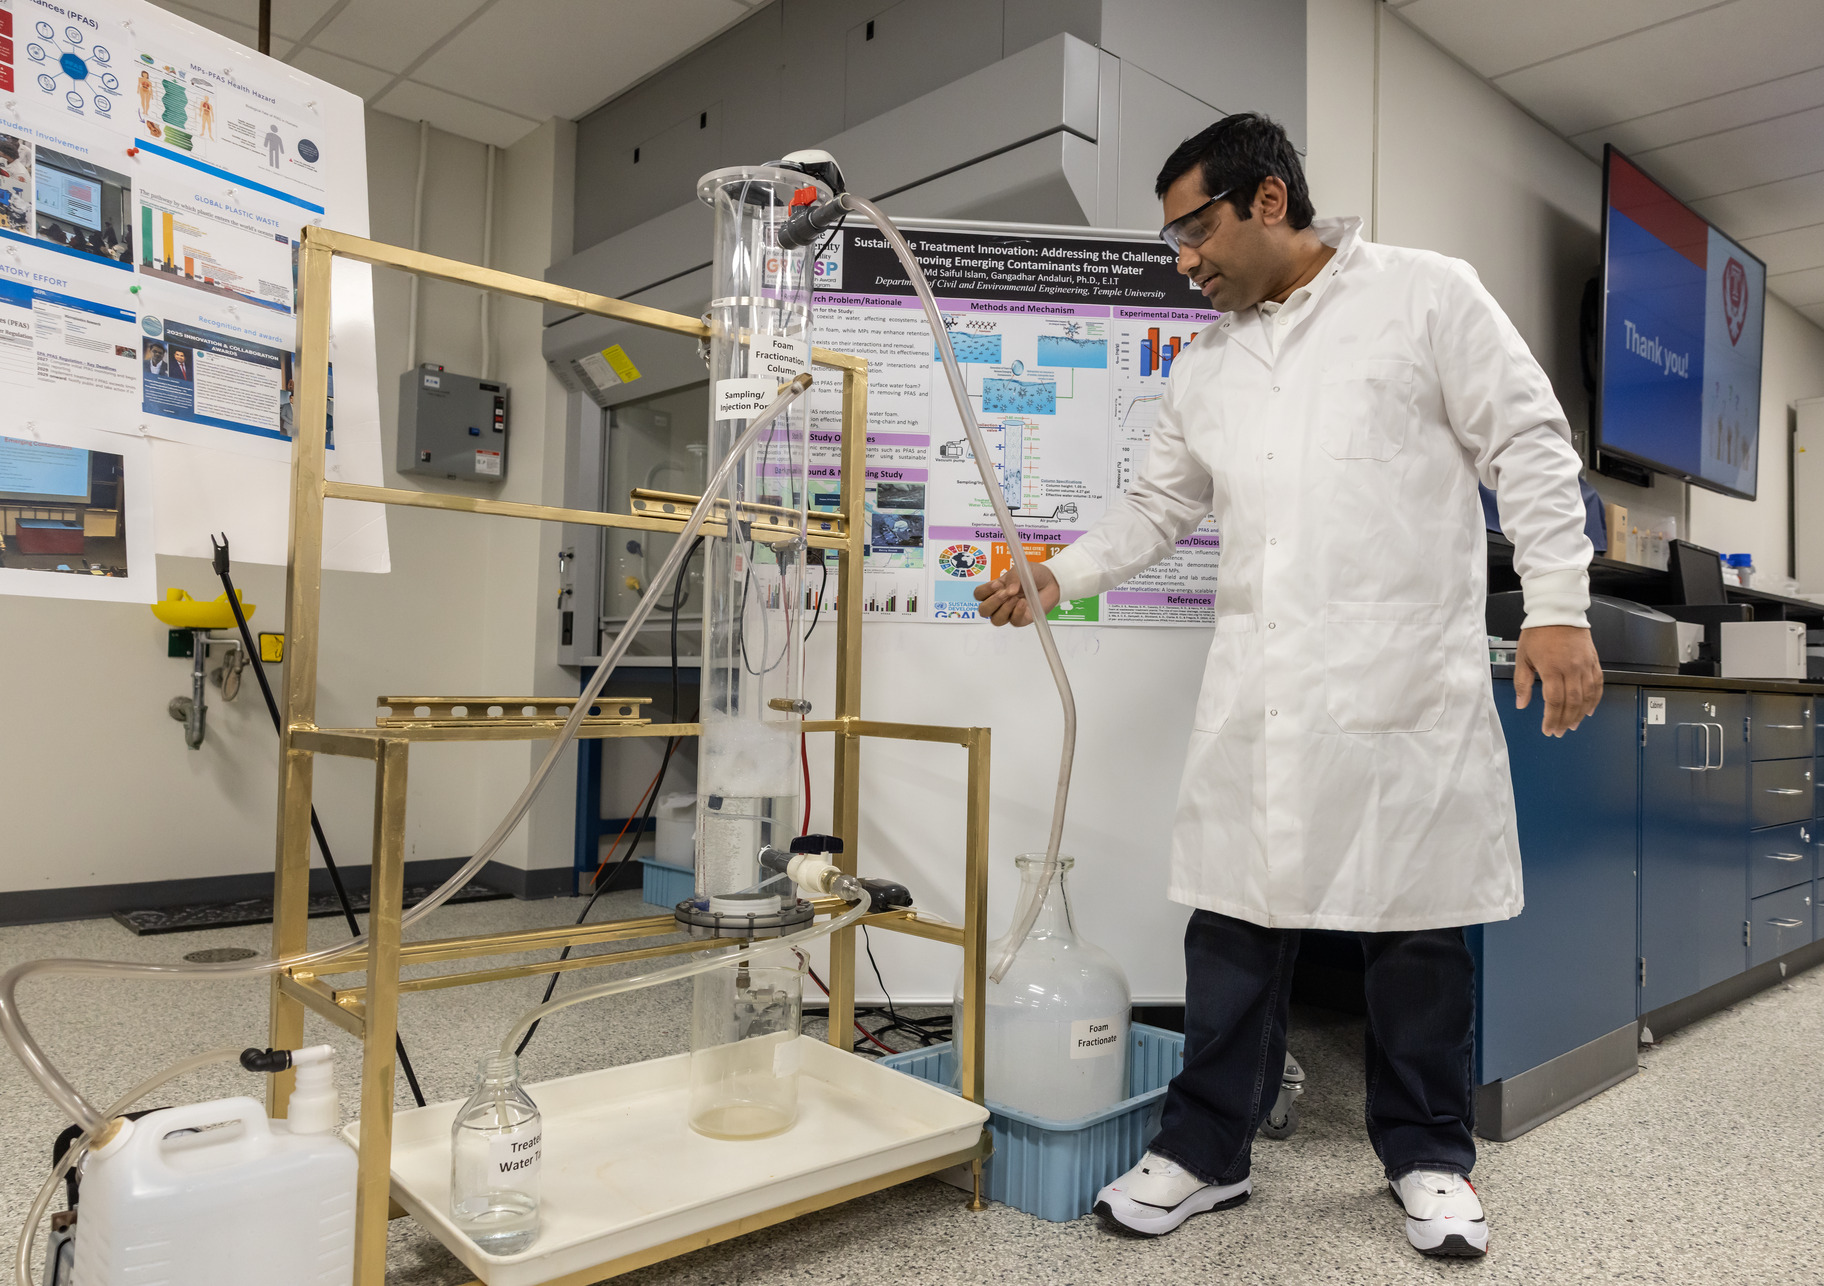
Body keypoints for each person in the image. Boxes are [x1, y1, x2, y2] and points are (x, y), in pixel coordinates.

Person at [972, 114, 1602, 1260]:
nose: (1184, 260)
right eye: (1172, 239)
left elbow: (1528, 440)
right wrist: (1058, 574)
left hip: (1401, 689)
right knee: (1232, 927)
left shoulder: (1425, 296)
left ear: (1269, 200)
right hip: (1260, 696)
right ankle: (1206, 1149)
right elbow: (1161, 506)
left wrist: (1557, 603)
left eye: (1194, 229)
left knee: (1416, 936)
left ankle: (1429, 1154)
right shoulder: (1207, 366)